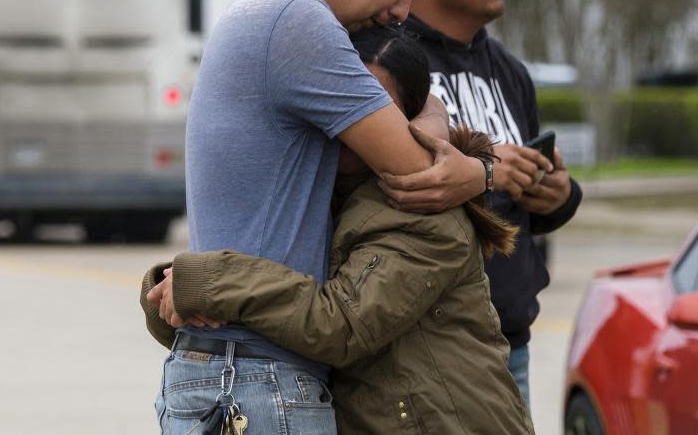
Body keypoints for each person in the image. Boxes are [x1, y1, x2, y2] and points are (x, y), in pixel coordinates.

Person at [153, 0, 488, 435]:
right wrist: (458, 143)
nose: (404, 10)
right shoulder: (296, 19)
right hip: (259, 379)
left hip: (230, 370)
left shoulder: (252, 11)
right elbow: (417, 175)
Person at [141, 29, 535, 434]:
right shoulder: (323, 189)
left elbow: (343, 325)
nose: (348, 117)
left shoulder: (421, 207)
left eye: (370, 105)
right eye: (338, 99)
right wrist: (173, 291)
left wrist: (210, 280)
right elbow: (268, 297)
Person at [381, 0, 584, 405]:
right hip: (429, 349)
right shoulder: (388, 63)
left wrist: (557, 195)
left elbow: (525, 218)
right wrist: (488, 169)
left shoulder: (510, 71)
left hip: (511, 346)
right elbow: (381, 193)